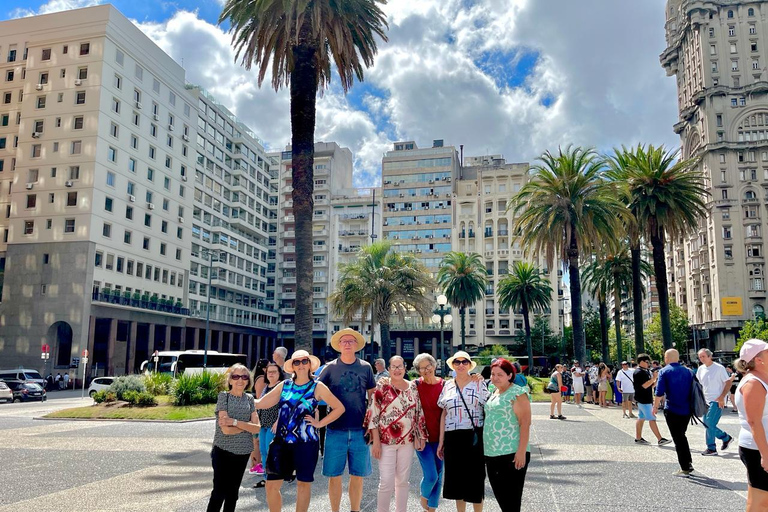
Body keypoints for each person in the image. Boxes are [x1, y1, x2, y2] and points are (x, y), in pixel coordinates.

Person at [255, 350, 345, 512]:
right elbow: (261, 403)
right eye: (297, 362)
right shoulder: (285, 385)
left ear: (310, 364)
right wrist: (237, 397)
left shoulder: (317, 386)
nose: (301, 365)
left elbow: (339, 408)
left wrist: (319, 424)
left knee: (303, 485)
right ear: (292, 366)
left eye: (305, 361)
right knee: (271, 485)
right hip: (281, 442)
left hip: (306, 444)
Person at [317, 328, 376, 512]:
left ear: (356, 345)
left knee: (357, 476)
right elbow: (316, 392)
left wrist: (372, 426)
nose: (348, 343)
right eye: (344, 341)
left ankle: (355, 510)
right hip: (335, 430)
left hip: (360, 430)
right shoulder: (330, 368)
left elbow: (373, 397)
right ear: (339, 345)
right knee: (334, 476)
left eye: (351, 341)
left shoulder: (366, 367)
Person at [367, 356, 427, 512]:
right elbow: (373, 414)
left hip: (407, 442)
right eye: (394, 366)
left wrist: (420, 436)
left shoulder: (413, 387)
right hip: (386, 442)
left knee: (402, 481)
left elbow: (418, 412)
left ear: (405, 368)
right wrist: (376, 442)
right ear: (389, 369)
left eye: (400, 366)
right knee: (386, 481)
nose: (397, 370)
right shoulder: (382, 387)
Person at [437, 350, 489, 511]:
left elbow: (489, 406)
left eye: (464, 362)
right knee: (456, 479)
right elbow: (443, 414)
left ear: (469, 365)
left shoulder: (479, 383)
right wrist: (441, 441)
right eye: (457, 362)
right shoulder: (447, 385)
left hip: (473, 435)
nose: (460, 365)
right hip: (452, 436)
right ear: (452, 365)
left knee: (476, 478)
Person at [207, 364, 261, 512]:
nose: (240, 380)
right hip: (222, 451)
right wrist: (246, 426)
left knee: (233, 494)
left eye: (244, 377)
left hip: (243, 452)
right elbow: (225, 430)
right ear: (230, 380)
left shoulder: (250, 399)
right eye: (236, 376)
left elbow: (257, 428)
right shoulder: (223, 397)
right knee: (219, 493)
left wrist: (235, 422)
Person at [482, 358, 531, 512]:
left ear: (510, 375)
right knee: (501, 498)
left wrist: (522, 452)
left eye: (500, 375)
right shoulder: (492, 390)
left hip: (511, 452)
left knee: (511, 501)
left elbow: (525, 423)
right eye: (493, 374)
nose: (495, 378)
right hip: (491, 452)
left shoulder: (517, 393)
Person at [734, 339, 768, 512]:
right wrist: (765, 455)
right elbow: (754, 421)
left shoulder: (761, 379)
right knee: (760, 501)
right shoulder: (753, 383)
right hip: (757, 449)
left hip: (760, 448)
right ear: (759, 359)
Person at [653, 349, 695, 477]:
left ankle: (685, 467)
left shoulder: (664, 371)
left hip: (672, 409)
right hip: (687, 409)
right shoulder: (688, 371)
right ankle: (688, 462)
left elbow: (659, 391)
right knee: (682, 435)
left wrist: (655, 407)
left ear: (667, 358)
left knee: (678, 438)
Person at [413, 353, 445, 512]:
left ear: (434, 365)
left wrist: (476, 378)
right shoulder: (415, 385)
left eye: (428, 366)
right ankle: (424, 498)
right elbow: (397, 386)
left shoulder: (445, 385)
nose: (426, 370)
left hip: (441, 438)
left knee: (439, 476)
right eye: (422, 368)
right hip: (422, 439)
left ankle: (431, 509)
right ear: (418, 371)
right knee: (431, 475)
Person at [252, 361, 285, 488]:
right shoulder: (266, 387)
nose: (271, 374)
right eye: (269, 372)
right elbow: (260, 405)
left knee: (271, 452)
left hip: (273, 425)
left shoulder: (281, 387)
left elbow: (284, 407)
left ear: (279, 374)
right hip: (263, 424)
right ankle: (267, 478)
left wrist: (278, 421)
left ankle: (274, 478)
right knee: (263, 451)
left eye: (274, 372)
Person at [697, 348, 735, 456]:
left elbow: (728, 383)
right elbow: (699, 384)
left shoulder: (719, 368)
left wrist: (722, 397)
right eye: (700, 357)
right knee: (707, 424)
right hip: (705, 400)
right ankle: (725, 438)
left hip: (717, 399)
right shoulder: (700, 369)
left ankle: (711, 448)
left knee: (709, 423)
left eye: (703, 356)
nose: (701, 359)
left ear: (710, 356)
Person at [632, 354, 670, 446]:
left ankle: (638, 437)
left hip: (643, 398)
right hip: (644, 399)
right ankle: (660, 439)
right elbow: (644, 385)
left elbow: (649, 386)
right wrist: (654, 378)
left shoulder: (644, 371)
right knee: (652, 419)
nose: (648, 364)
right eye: (647, 362)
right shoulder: (639, 372)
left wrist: (655, 380)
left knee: (641, 418)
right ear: (641, 361)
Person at [249, 358, 271, 476]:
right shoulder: (261, 379)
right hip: (258, 414)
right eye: (268, 367)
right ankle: (256, 465)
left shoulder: (259, 378)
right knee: (256, 441)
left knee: (257, 440)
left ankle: (256, 465)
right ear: (263, 369)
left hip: (258, 413)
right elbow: (260, 398)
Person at [314, 352, 328, 458]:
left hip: (320, 402)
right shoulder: (334, 368)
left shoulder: (318, 370)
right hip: (332, 402)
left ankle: (322, 450)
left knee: (321, 426)